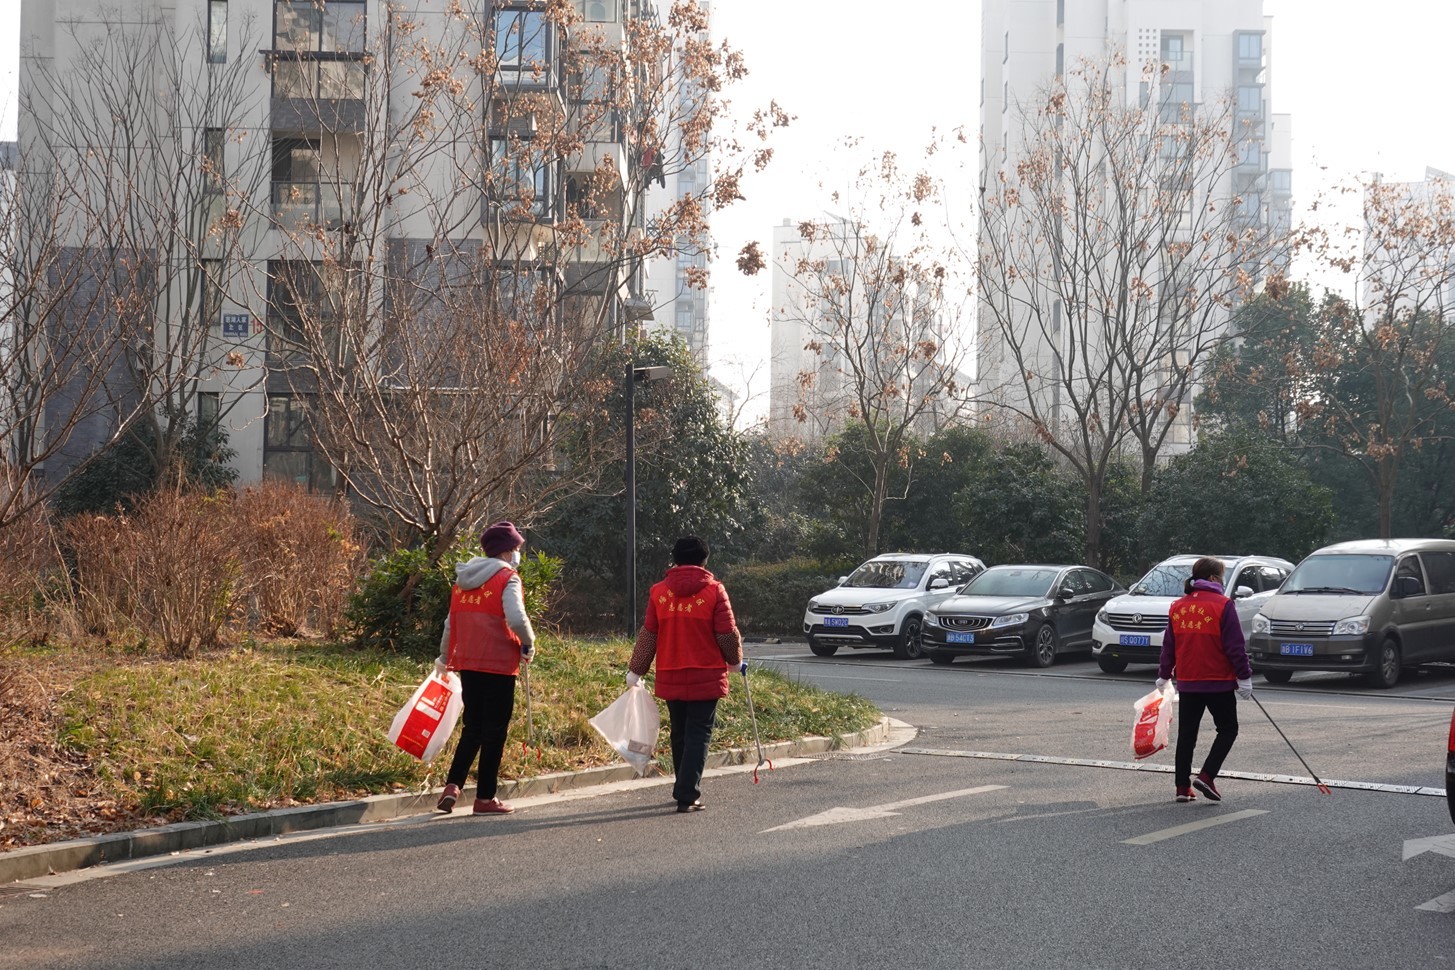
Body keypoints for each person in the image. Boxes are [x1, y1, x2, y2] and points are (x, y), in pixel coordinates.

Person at [627, 535, 744, 813]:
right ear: (705, 560)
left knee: (680, 732)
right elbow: (726, 633)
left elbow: (649, 636)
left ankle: (682, 786)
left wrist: (636, 670)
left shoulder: (658, 592)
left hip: (671, 673)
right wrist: (735, 661)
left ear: (675, 560)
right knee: (698, 733)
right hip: (706, 674)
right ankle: (687, 794)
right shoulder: (715, 591)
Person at [434, 521, 536, 816]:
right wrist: (528, 643)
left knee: (472, 728)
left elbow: (449, 625)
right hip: (500, 664)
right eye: (516, 548)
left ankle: (452, 786)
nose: (517, 553)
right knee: (495, 731)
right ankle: (485, 798)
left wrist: (444, 658)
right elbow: (516, 618)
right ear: (506, 551)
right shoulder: (507, 578)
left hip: (468, 662)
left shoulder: (461, 581)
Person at [1157, 556, 1253, 803]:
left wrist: (1164, 675)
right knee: (1228, 729)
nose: (1222, 580)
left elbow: (1169, 646)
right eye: (1221, 576)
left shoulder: (1178, 606)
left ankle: (1182, 787)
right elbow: (1235, 646)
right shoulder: (1223, 605)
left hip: (1188, 681)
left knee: (1187, 734)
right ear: (1212, 578)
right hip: (1218, 681)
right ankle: (1207, 776)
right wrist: (1244, 677)